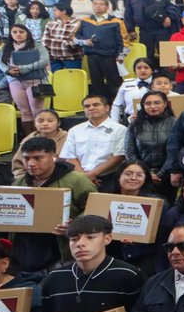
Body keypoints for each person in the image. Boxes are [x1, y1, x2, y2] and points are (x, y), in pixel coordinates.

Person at [8, 136, 96, 275]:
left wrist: (76, 224)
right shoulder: (19, 183)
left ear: (54, 156)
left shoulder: (76, 180)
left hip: (60, 250)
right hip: (25, 250)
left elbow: (94, 209)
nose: (31, 163)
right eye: (26, 158)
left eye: (38, 158)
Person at [59, 93, 127, 187]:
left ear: (107, 108)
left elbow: (118, 156)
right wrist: (84, 176)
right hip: (79, 177)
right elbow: (70, 156)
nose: (91, 108)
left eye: (96, 105)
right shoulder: (75, 130)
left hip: (108, 178)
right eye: (87, 106)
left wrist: (93, 174)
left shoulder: (120, 129)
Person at [10, 108, 67, 180]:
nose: (45, 124)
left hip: (62, 178)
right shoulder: (28, 140)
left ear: (58, 123)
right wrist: (25, 180)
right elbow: (18, 166)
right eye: (40, 121)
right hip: (32, 180)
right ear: (34, 124)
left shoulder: (68, 138)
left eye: (50, 121)